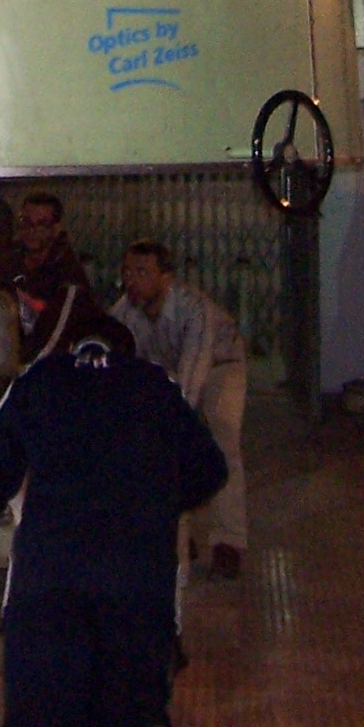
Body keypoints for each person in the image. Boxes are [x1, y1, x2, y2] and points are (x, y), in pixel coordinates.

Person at [0, 333, 228, 727]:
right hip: (137, 576)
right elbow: (209, 470)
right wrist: (152, 503)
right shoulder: (156, 385)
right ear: (127, 351)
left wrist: (9, 506)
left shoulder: (38, 380)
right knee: (130, 709)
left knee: (40, 723)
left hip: (49, 577)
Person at [112, 239, 249, 577]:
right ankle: (174, 532)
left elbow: (193, 373)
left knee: (222, 437)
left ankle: (228, 542)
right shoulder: (125, 310)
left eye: (143, 272)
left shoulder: (193, 309)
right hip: (170, 368)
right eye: (127, 272)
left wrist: (172, 421)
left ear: (166, 277)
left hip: (221, 365)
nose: (132, 280)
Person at [0, 190, 134, 363]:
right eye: (26, 222)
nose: (31, 231)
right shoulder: (9, 263)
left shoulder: (68, 277)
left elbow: (53, 343)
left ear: (56, 229)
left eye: (41, 224)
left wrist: (22, 371)